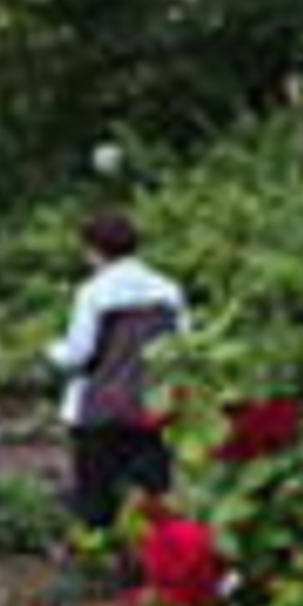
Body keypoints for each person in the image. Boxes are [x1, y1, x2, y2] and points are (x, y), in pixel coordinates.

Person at [47, 211, 188, 529]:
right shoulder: (168, 290)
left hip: (101, 410)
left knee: (96, 502)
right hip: (153, 408)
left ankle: (100, 567)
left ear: (95, 249)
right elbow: (183, 347)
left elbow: (78, 354)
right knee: (152, 503)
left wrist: (52, 351)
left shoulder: (93, 292)